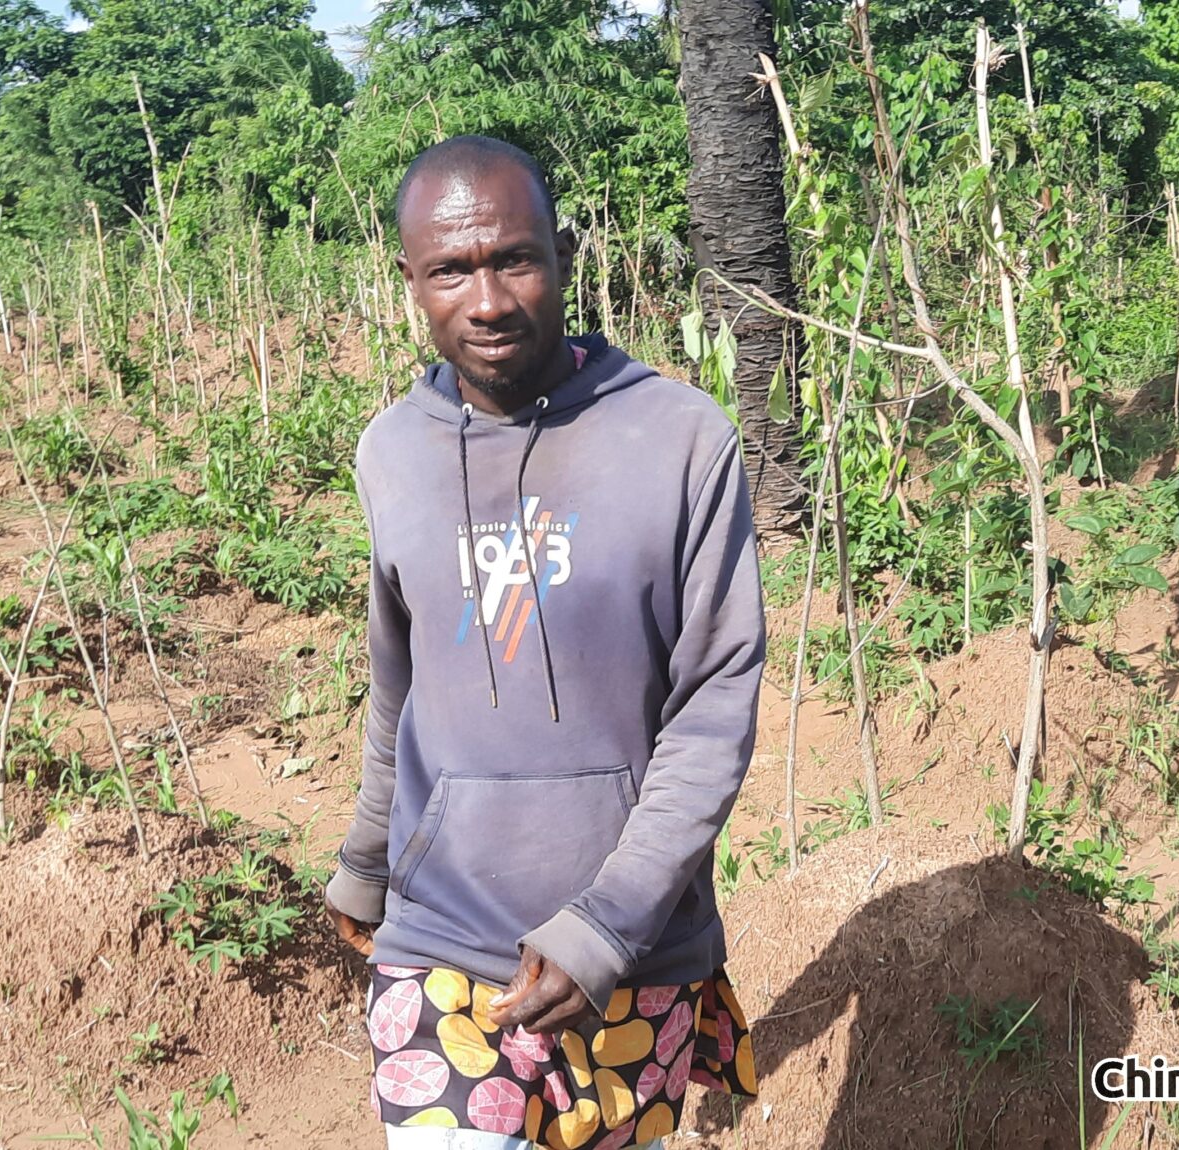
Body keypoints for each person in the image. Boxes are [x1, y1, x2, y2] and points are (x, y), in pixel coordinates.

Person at [324, 135, 766, 1150]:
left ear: (563, 255)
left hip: (635, 950)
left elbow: (714, 706)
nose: (486, 300)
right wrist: (365, 859)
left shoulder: (680, 439)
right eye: (450, 270)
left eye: (513, 258)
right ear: (409, 280)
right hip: (439, 935)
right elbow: (401, 686)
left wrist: (606, 924)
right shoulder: (391, 450)